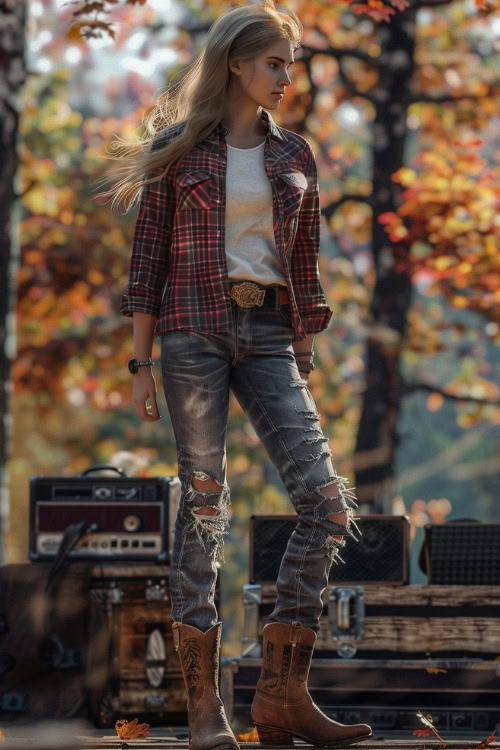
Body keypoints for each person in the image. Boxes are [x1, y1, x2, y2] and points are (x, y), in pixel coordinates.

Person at [95, 1, 371, 748]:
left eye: (291, 62)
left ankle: (282, 694)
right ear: (236, 65)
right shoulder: (180, 150)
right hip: (191, 335)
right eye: (274, 62)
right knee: (206, 504)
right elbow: (146, 262)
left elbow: (304, 262)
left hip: (273, 334)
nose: (287, 76)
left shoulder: (295, 157)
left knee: (326, 502)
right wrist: (139, 364)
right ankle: (201, 706)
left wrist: (304, 345)